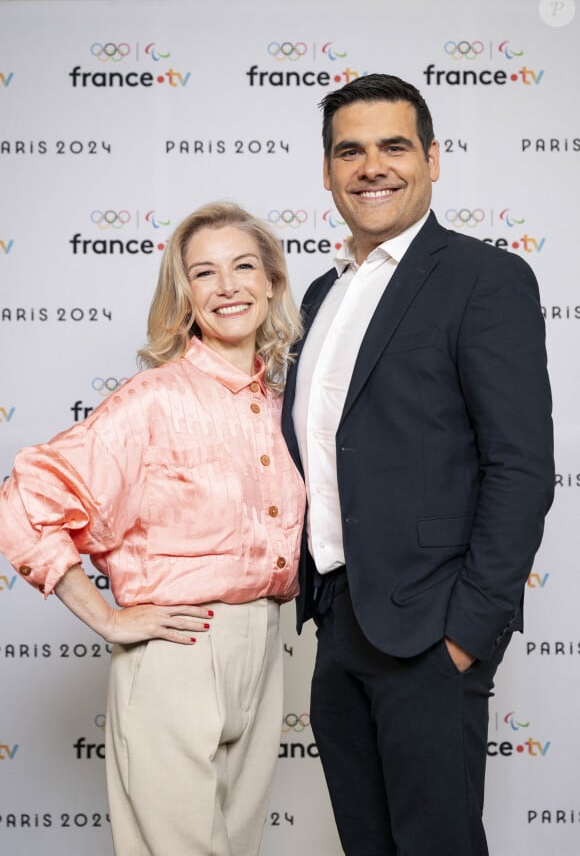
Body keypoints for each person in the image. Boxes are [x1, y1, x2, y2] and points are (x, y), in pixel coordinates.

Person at [281, 74, 554, 855]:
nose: (373, 167)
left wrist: (467, 631)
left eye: (394, 146)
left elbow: (521, 466)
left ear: (432, 159)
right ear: (328, 171)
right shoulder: (322, 294)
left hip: (432, 634)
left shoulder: (483, 278)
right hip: (339, 624)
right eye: (351, 151)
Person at [0, 201, 306, 856]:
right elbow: (27, 498)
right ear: (185, 295)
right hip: (178, 650)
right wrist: (108, 619)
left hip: (263, 647)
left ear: (273, 282)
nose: (227, 286)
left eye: (244, 266)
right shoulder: (155, 398)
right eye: (204, 273)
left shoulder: (287, 409)